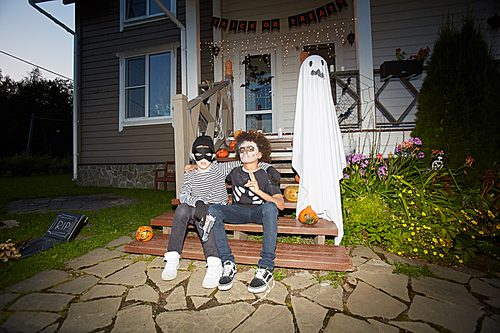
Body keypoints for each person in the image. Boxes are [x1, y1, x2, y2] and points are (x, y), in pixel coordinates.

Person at [162, 135, 274, 288]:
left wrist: (269, 168)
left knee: (208, 215)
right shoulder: (190, 175)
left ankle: (214, 262)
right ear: (193, 156)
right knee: (181, 209)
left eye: (207, 154)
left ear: (213, 156)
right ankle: (173, 257)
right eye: (198, 154)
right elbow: (183, 195)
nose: (203, 158)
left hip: (214, 207)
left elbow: (248, 162)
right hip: (195, 205)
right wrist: (197, 202)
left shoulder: (220, 169)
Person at [208, 130, 285, 293]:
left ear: (259, 153)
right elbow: (210, 169)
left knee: (271, 207)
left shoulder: (266, 174)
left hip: (259, 212)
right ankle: (227, 263)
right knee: (214, 209)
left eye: (251, 149)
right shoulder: (234, 171)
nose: (245, 153)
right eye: (242, 150)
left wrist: (259, 192)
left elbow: (281, 205)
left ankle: (266, 267)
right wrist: (194, 166)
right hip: (237, 211)